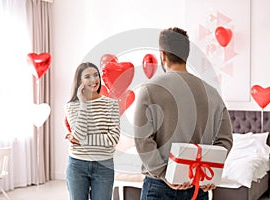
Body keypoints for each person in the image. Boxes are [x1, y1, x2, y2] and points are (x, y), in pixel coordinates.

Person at [133, 27, 233, 200]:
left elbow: (142, 139)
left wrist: (165, 173)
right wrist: (209, 173)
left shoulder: (149, 89)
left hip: (159, 186)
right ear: (186, 55)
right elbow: (225, 140)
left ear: (163, 55)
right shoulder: (212, 94)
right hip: (198, 186)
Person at [64, 62, 120, 200]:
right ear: (79, 81)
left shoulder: (111, 104)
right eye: (87, 76)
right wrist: (83, 103)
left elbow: (113, 138)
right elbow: (79, 133)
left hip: (104, 164)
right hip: (77, 164)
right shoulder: (71, 106)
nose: (93, 80)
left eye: (96, 75)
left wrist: (80, 140)